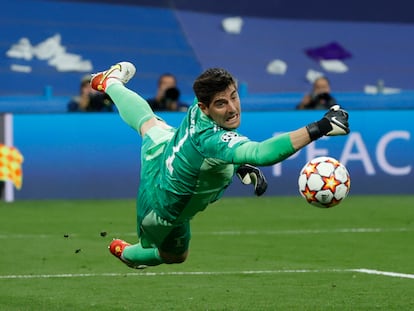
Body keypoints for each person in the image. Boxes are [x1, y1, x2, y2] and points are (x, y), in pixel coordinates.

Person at [90, 62, 350, 269]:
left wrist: (237, 166)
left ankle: (109, 80)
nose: (232, 108)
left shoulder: (199, 104)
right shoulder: (212, 139)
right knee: (174, 256)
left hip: (165, 149)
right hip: (161, 206)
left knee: (149, 123)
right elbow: (261, 152)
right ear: (204, 107)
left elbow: (225, 154)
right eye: (221, 104)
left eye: (234, 97)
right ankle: (127, 254)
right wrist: (322, 127)